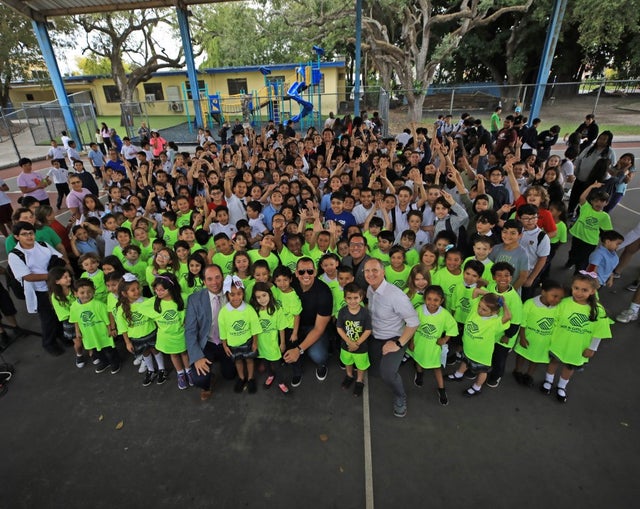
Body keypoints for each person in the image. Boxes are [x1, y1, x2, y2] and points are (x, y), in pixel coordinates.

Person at [540, 272, 612, 403]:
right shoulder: (563, 303)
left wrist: (592, 348)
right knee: (554, 361)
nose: (579, 293)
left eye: (584, 290)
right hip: (559, 342)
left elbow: (599, 332)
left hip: (578, 347)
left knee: (569, 367)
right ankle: (548, 381)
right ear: (572, 287)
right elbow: (553, 320)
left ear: (592, 291)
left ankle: (562, 386)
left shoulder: (598, 310)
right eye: (576, 288)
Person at [364, 257, 419, 418]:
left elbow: (414, 321)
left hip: (393, 337)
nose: (371, 274)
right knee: (374, 371)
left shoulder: (396, 295)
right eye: (367, 271)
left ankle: (400, 396)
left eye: (375, 270)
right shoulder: (370, 289)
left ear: (383, 272)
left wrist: (398, 343)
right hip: (375, 335)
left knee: (387, 374)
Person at [8, 221, 64, 356]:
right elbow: (28, 277)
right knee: (48, 319)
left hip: (55, 286)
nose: (29, 236)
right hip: (39, 291)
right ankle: (49, 343)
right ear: (16, 237)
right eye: (24, 234)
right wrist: (52, 276)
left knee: (60, 313)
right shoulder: (15, 255)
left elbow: (58, 257)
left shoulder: (43, 245)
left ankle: (62, 336)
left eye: (31, 233)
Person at [185, 264, 236, 401]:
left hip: (227, 341)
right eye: (209, 279)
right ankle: (207, 385)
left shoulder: (232, 293)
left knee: (230, 375)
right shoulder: (194, 299)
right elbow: (190, 331)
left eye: (218, 277)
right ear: (204, 281)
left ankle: (221, 362)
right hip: (207, 342)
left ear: (223, 277)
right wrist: (197, 357)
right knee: (199, 378)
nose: (215, 282)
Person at [447, 293, 511, 396]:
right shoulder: (475, 311)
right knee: (465, 361)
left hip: (481, 355)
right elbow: (476, 291)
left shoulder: (494, 322)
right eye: (479, 306)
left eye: (484, 310)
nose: (480, 310)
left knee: (482, 371)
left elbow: (508, 316)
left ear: (494, 312)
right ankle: (459, 374)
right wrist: (491, 296)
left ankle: (477, 387)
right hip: (468, 348)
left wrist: (502, 303)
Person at [282, 257, 332, 387]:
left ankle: (321, 364)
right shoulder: (289, 284)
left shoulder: (324, 292)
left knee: (318, 355)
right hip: (293, 325)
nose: (306, 275)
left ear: (315, 272)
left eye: (310, 271)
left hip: (314, 327)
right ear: (296, 273)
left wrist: (298, 350)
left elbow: (319, 328)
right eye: (301, 271)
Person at [138, 273, 190, 390]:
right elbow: (140, 307)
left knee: (184, 353)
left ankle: (188, 371)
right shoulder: (154, 301)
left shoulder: (183, 298)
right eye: (156, 290)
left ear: (171, 288)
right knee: (174, 354)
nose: (158, 292)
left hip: (181, 333)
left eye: (162, 290)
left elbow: (191, 308)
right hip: (166, 336)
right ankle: (180, 374)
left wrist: (187, 319)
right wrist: (155, 317)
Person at [408, 284, 457, 405]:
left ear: (442, 301)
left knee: (436, 367)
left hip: (433, 347)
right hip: (420, 343)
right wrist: (411, 341)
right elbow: (412, 326)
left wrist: (444, 339)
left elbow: (452, 328)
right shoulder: (419, 310)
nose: (432, 303)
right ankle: (419, 373)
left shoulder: (445, 314)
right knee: (418, 360)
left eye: (436, 300)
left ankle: (441, 389)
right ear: (425, 299)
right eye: (429, 299)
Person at [115, 274, 168, 386]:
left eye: (138, 288)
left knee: (155, 350)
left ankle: (162, 369)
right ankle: (151, 370)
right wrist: (127, 342)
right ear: (124, 293)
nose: (137, 291)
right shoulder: (121, 309)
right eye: (132, 290)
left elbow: (156, 317)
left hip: (151, 332)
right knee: (145, 352)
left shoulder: (148, 301)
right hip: (136, 337)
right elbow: (123, 328)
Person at [513, 280, 564, 387]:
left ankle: (529, 375)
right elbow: (523, 322)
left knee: (536, 358)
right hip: (528, 337)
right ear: (543, 292)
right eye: (554, 296)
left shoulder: (558, 308)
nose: (557, 300)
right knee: (522, 355)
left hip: (544, 341)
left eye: (560, 298)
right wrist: (522, 337)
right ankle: (517, 371)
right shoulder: (530, 303)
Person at [219, 275, 261, 394]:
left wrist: (255, 342)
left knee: (249, 360)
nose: (236, 297)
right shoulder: (223, 312)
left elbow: (254, 327)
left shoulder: (249, 309)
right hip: (233, 343)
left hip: (247, 341)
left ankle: (250, 378)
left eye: (239, 293)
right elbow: (222, 330)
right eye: (232, 294)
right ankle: (242, 378)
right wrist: (225, 345)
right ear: (227, 295)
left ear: (243, 293)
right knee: (238, 361)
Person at [69, 278, 120, 374]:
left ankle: (115, 362)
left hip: (102, 333)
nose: (86, 295)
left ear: (93, 291)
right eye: (82, 292)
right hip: (88, 335)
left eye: (89, 292)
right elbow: (76, 320)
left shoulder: (99, 305)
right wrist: (77, 331)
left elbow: (107, 320)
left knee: (109, 349)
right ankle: (105, 362)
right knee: (96, 351)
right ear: (75, 293)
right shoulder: (74, 307)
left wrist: (110, 329)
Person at [249, 282, 290, 394]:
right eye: (258, 297)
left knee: (277, 365)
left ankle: (281, 382)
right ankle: (270, 375)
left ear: (269, 294)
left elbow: (281, 328)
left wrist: (282, 343)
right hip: (261, 344)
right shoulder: (255, 310)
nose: (262, 299)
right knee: (265, 362)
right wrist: (254, 343)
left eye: (264, 295)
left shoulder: (276, 309)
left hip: (273, 344)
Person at [336, 282, 372, 397]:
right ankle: (349, 375)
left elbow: (368, 330)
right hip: (346, 346)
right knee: (348, 362)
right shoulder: (342, 312)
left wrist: (356, 343)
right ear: (345, 298)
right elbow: (339, 328)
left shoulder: (365, 313)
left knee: (361, 366)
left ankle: (359, 380)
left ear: (361, 297)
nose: (352, 301)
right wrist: (350, 342)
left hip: (361, 348)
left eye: (356, 298)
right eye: (349, 298)